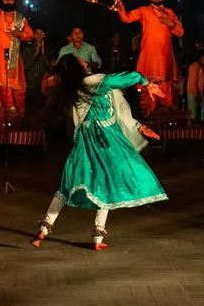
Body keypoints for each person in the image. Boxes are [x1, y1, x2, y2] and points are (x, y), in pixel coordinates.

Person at [31, 55, 168, 251]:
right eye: (81, 61)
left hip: (85, 140)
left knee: (68, 182)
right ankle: (97, 236)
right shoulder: (94, 82)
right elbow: (126, 78)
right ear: (78, 67)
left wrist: (138, 126)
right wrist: (145, 82)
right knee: (108, 182)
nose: (85, 61)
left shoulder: (72, 90)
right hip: (106, 138)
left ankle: (44, 228)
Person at [113, 0, 184, 116]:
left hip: (165, 59)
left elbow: (180, 32)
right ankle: (148, 121)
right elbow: (126, 18)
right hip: (149, 59)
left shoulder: (169, 12)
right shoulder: (144, 11)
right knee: (147, 91)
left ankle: (168, 123)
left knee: (167, 93)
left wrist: (172, 24)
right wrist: (120, 4)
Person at [22, 27, 50, 113]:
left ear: (44, 36)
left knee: (41, 111)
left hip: (42, 86)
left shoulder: (47, 49)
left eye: (41, 34)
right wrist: (36, 53)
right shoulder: (27, 49)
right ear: (33, 35)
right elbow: (24, 67)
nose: (39, 36)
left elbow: (50, 68)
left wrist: (43, 53)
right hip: (29, 86)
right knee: (29, 111)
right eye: (37, 33)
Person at [186, 52, 204, 121]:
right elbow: (193, 82)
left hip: (199, 92)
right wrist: (196, 94)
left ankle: (201, 128)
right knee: (193, 114)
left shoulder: (202, 67)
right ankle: (193, 130)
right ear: (202, 58)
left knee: (201, 112)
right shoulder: (195, 66)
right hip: (193, 93)